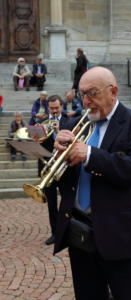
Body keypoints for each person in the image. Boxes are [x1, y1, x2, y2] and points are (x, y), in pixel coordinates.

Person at [53, 66, 131, 300]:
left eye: (93, 93)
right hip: (80, 233)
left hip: (119, 233)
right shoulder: (74, 124)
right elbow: (65, 182)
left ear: (113, 91)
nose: (86, 101)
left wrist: (89, 155)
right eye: (82, 94)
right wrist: (57, 155)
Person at [37, 95, 69, 245]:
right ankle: (55, 233)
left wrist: (58, 131)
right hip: (48, 168)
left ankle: (67, 231)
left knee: (67, 201)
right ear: (48, 108)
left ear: (61, 106)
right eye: (52, 108)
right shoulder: (41, 123)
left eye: (57, 108)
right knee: (51, 203)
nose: (55, 111)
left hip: (64, 168)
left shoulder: (69, 122)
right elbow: (39, 148)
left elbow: (71, 143)